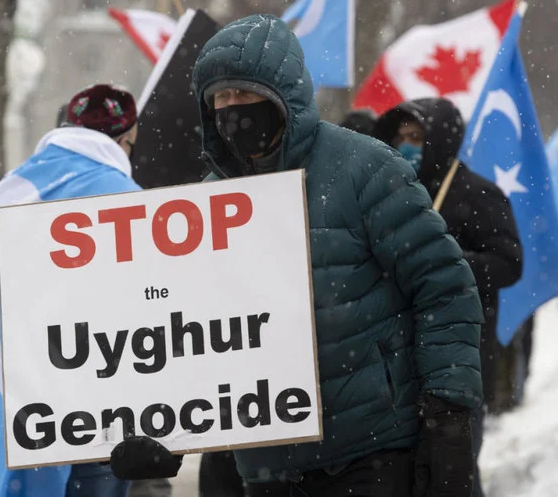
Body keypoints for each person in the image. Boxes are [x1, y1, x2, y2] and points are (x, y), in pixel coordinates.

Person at [111, 15, 484, 497]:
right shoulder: (204, 206)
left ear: (282, 94)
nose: (233, 110)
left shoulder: (365, 169)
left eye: (244, 94)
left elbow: (443, 287)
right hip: (269, 466)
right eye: (220, 99)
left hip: (373, 449)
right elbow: (190, 332)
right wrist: (163, 429)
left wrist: (448, 412)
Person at [0, 84, 139, 496]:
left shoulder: (12, 188)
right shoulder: (125, 196)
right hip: (103, 402)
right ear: (124, 138)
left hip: (25, 401)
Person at [374, 97, 523, 496]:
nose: (407, 146)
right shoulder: (394, 194)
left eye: (416, 137)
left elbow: (509, 263)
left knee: (455, 475)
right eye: (400, 137)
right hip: (402, 365)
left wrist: (447, 263)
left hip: (461, 360)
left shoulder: (477, 193)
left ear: (440, 139)